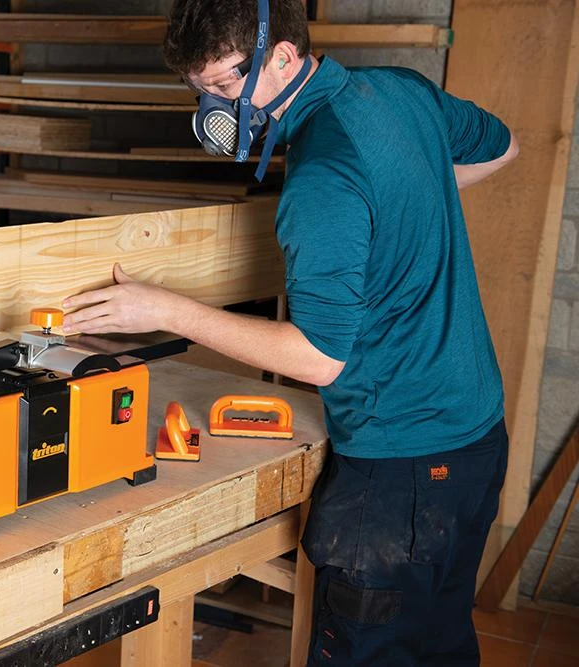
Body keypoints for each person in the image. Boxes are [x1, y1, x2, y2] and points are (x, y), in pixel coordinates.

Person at [60, 0, 519, 664]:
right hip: (474, 438)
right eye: (200, 90)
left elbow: (318, 358)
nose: (215, 109)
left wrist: (165, 310)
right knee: (439, 645)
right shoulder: (400, 91)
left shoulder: (321, 181)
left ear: (282, 56)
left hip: (402, 470)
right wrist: (399, 207)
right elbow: (503, 146)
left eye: (224, 85)